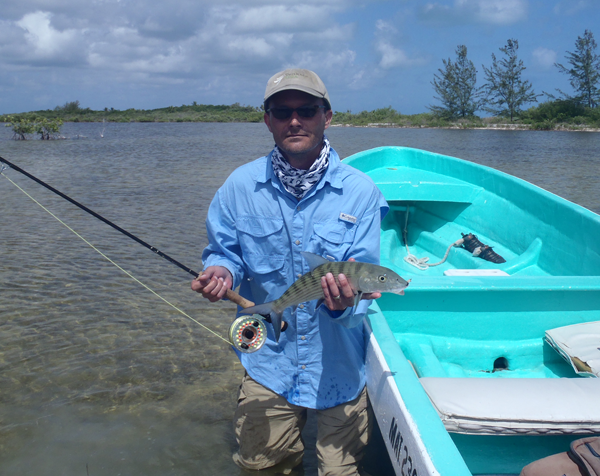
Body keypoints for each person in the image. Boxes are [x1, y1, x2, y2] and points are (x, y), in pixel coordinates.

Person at [191, 68, 388, 475]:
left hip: (340, 366)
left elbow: (365, 283)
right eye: (282, 111)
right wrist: (221, 274)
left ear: (327, 116)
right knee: (263, 469)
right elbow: (223, 251)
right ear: (267, 120)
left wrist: (342, 304)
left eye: (307, 110)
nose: (294, 120)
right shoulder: (238, 186)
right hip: (270, 363)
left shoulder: (361, 191)